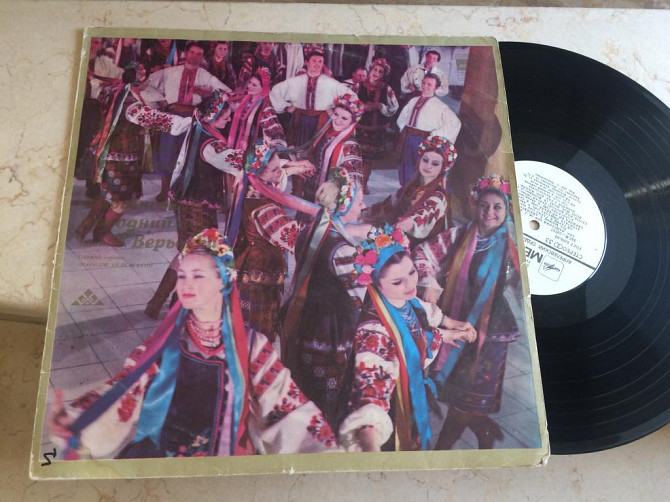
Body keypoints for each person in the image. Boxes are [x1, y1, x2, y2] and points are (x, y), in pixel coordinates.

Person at [49, 229, 342, 458]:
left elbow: (285, 407)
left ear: (223, 282)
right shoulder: (166, 342)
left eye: (198, 275)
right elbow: (127, 387)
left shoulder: (252, 347)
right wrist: (80, 419)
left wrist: (323, 451)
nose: (186, 284)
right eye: (182, 275)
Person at [338, 225, 476, 452]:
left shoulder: (405, 300)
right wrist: (371, 443)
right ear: (375, 283)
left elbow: (419, 324)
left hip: (411, 394)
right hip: (392, 408)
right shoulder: (374, 331)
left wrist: (449, 329)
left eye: (412, 272)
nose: (411, 285)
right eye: (397, 282)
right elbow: (370, 391)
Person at [412, 174, 522, 450]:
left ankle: (442, 451)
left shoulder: (513, 247)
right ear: (476, 206)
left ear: (507, 210)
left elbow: (525, 286)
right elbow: (421, 254)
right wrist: (429, 282)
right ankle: (484, 429)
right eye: (484, 206)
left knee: (470, 394)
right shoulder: (459, 235)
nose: (489, 212)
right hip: (456, 322)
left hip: (490, 331)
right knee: (456, 391)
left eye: (497, 207)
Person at [281, 170, 370, 429]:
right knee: (328, 388)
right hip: (331, 327)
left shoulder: (312, 229)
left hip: (308, 316)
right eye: (359, 202)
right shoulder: (341, 249)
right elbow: (360, 293)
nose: (364, 206)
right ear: (344, 208)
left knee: (306, 378)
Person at [227, 142, 315, 342]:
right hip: (258, 274)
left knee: (253, 328)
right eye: (274, 170)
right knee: (257, 333)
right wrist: (325, 226)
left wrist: (294, 168)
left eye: (279, 167)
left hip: (252, 266)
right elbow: (292, 236)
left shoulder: (250, 186)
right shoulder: (262, 207)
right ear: (258, 173)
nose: (280, 173)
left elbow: (280, 173)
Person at [142, 42, 231, 202]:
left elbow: (226, 93)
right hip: (171, 117)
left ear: (203, 57)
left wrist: (208, 94)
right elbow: (146, 85)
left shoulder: (205, 76)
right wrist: (161, 101)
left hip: (192, 119)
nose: (195, 56)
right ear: (185, 53)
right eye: (192, 52)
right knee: (166, 153)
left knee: (187, 154)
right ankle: (165, 188)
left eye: (199, 54)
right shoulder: (170, 72)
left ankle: (181, 190)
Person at [74, 64, 151, 247]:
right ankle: (103, 232)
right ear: (140, 82)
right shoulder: (130, 103)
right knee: (121, 199)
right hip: (122, 156)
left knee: (108, 194)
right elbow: (150, 120)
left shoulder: (112, 92)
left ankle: (84, 228)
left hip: (109, 152)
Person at [362, 135, 457, 248]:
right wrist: (358, 214)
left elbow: (419, 218)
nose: (428, 166)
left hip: (422, 249)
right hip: (400, 238)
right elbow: (385, 206)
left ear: (443, 168)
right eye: (425, 160)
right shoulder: (412, 187)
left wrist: (391, 234)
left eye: (435, 163)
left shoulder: (438, 197)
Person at [269, 48, 354, 148]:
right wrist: (286, 107)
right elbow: (274, 92)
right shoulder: (295, 81)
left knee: (318, 148)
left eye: (320, 61)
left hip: (322, 120)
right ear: (307, 62)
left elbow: (351, 96)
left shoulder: (331, 83)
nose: (317, 64)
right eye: (314, 61)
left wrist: (336, 111)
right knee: (297, 148)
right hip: (300, 120)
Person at [395, 73, 461, 186]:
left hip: (423, 140)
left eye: (429, 85)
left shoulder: (440, 106)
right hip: (408, 138)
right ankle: (405, 191)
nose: (425, 86)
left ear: (436, 88)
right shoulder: (413, 100)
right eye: (424, 83)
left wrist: (434, 136)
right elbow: (402, 118)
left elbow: (455, 123)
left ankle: (418, 193)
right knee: (406, 167)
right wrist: (404, 129)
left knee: (420, 169)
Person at [299, 94, 365, 204]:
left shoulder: (350, 145)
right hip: (310, 190)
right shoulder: (326, 133)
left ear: (353, 121)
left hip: (330, 199)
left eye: (344, 118)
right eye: (336, 114)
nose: (337, 120)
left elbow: (353, 179)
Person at [353, 57, 399, 193]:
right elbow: (350, 103)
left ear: (383, 74)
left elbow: (394, 107)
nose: (376, 73)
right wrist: (362, 107)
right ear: (370, 70)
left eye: (380, 71)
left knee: (368, 159)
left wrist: (380, 106)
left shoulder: (387, 89)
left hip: (376, 130)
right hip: (359, 128)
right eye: (375, 70)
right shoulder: (358, 86)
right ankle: (354, 184)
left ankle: (363, 184)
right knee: (357, 157)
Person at [227, 67, 286, 153]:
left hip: (251, 148)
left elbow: (275, 131)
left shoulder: (265, 108)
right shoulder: (244, 100)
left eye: (254, 85)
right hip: (236, 143)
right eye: (250, 82)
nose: (249, 86)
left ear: (263, 88)